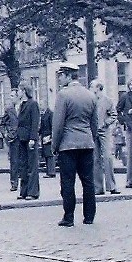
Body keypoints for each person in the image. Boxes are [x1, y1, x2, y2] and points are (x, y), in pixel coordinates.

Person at [51, 62, 98, 227]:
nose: (59, 79)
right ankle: (89, 216)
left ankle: (69, 216)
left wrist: (54, 146)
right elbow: (94, 123)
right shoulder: (90, 95)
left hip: (68, 144)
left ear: (67, 75)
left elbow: (58, 124)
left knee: (68, 182)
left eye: (60, 76)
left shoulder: (63, 95)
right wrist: (91, 140)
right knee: (88, 181)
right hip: (87, 143)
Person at [90, 79, 119, 195]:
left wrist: (106, 123)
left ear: (98, 88)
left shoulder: (107, 100)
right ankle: (98, 188)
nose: (90, 89)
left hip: (105, 132)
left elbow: (114, 115)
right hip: (93, 132)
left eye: (91, 86)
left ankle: (111, 186)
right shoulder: (90, 100)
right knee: (95, 159)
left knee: (107, 157)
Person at [16, 80, 41, 200]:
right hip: (21, 138)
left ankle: (33, 192)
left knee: (32, 165)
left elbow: (35, 122)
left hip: (29, 138)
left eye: (19, 90)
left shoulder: (33, 104)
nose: (18, 93)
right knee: (23, 165)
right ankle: (24, 191)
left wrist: (33, 138)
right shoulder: (21, 105)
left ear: (24, 91)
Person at [0, 89, 20, 191]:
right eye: (10, 96)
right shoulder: (9, 110)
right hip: (13, 139)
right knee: (14, 161)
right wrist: (5, 135)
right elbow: (2, 125)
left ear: (18, 96)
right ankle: (14, 183)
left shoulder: (24, 107)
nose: (11, 98)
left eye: (12, 96)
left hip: (23, 137)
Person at [39, 106, 56, 177]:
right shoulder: (44, 114)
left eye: (41, 105)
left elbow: (53, 126)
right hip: (44, 137)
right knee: (46, 154)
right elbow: (42, 127)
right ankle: (49, 172)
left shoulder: (50, 114)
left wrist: (51, 137)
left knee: (49, 155)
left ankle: (51, 172)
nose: (40, 107)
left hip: (48, 137)